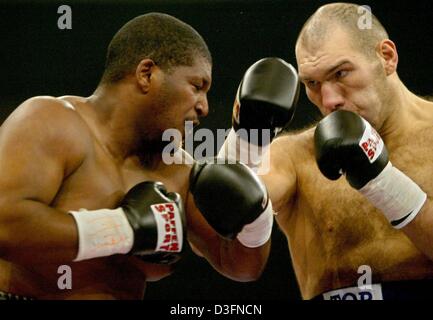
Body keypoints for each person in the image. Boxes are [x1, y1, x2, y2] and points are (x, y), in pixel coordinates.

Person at [0, 12, 275, 300]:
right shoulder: (53, 122)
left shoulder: (178, 169)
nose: (204, 107)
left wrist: (258, 217)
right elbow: (5, 225)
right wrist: (122, 230)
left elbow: (240, 266)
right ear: (147, 74)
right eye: (197, 86)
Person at [220, 2, 433, 300]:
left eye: (341, 73)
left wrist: (383, 181)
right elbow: (222, 208)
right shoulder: (295, 157)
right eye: (312, 83)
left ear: (386, 57)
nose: (329, 100)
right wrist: (244, 138)